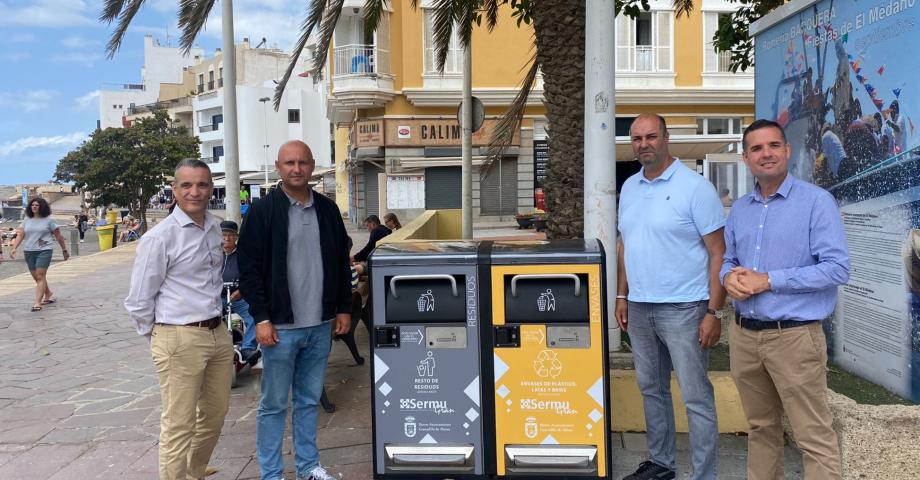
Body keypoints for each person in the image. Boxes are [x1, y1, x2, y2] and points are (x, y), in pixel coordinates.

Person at [721, 119, 850, 480]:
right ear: (746, 158)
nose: (766, 154)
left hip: (794, 338)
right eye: (757, 148)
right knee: (761, 428)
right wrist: (728, 277)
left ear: (787, 151)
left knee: (813, 435)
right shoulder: (741, 209)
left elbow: (838, 269)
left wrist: (769, 281)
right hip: (745, 337)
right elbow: (729, 260)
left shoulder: (816, 203)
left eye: (773, 145)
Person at [616, 114, 726, 480]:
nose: (643, 144)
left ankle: (703, 474)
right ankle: (661, 464)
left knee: (695, 396)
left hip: (685, 308)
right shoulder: (630, 187)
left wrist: (714, 312)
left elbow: (718, 253)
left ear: (666, 138)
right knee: (652, 389)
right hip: (640, 306)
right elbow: (624, 245)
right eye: (636, 138)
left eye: (650, 136)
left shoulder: (695, 188)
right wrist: (622, 295)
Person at [237, 140, 351, 480]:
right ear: (278, 166)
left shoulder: (328, 211)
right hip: (280, 329)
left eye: (302, 162)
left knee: (307, 400)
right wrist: (261, 317)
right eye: (289, 163)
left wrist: (343, 308)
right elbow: (249, 269)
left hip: (319, 325)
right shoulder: (263, 211)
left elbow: (339, 263)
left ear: (313, 165)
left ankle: (308, 467)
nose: (296, 168)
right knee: (273, 405)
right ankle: (271, 473)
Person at [124, 159, 233, 480]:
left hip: (217, 332)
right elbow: (138, 300)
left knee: (215, 414)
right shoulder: (160, 238)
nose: (195, 192)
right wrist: (162, 338)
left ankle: (194, 469)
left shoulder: (215, 227)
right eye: (186, 185)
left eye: (202, 184)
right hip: (178, 337)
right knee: (178, 423)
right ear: (174, 189)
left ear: (211, 188)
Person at [9, 198, 70, 312]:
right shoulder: (27, 219)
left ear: (42, 207)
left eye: (37, 205)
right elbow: (21, 235)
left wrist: (64, 250)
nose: (34, 207)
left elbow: (58, 236)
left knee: (40, 275)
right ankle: (49, 294)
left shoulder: (49, 220)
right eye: (32, 205)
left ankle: (37, 303)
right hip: (29, 251)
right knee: (36, 277)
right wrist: (14, 248)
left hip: (44, 250)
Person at [220, 220, 258, 362]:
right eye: (224, 235)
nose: (227, 238)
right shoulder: (213, 254)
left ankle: (247, 347)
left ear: (236, 237)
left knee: (255, 315)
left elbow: (251, 276)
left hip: (238, 296)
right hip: (217, 297)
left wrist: (241, 290)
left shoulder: (243, 255)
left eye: (231, 235)